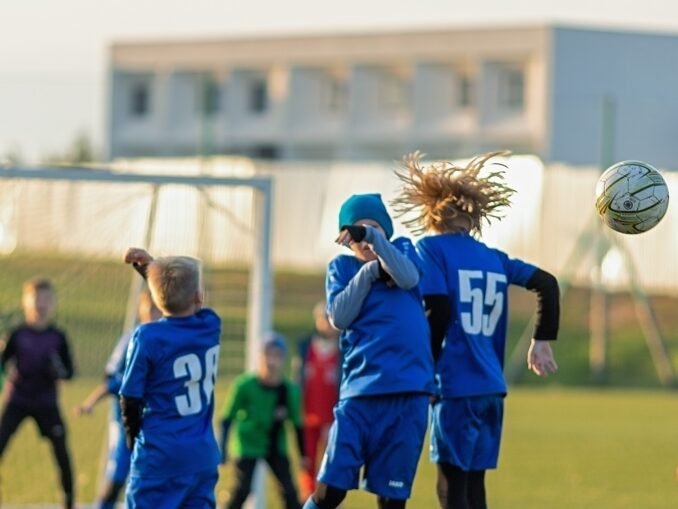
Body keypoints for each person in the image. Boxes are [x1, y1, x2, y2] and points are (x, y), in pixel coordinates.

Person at [392, 151, 560, 509]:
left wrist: (426, 372)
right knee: (474, 486)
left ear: (432, 211)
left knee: (451, 487)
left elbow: (438, 310)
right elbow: (547, 283)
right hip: (491, 389)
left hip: (455, 386)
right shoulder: (494, 258)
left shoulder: (430, 249)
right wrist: (542, 340)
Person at [303, 193, 435, 509]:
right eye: (358, 230)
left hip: (408, 394)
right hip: (360, 394)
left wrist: (376, 241)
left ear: (385, 231)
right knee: (329, 491)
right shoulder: (342, 267)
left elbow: (408, 278)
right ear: (346, 238)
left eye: (373, 228)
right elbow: (339, 317)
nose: (365, 237)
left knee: (391, 498)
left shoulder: (403, 249)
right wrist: (369, 273)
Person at [119, 248, 221, 508]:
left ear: (154, 298)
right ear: (199, 296)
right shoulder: (211, 325)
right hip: (201, 456)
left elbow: (130, 398)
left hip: (159, 456)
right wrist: (153, 269)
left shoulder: (147, 337)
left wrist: (133, 441)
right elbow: (190, 305)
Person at [75, 288, 161, 509]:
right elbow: (111, 377)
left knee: (151, 483)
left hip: (156, 425)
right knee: (118, 475)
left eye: (158, 308)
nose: (154, 313)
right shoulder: (132, 338)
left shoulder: (168, 341)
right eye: (150, 308)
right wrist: (90, 402)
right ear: (141, 310)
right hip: (125, 423)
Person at [0, 277, 75, 509]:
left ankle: (69, 501)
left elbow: (69, 373)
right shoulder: (17, 334)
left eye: (46, 299)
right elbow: (3, 363)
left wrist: (59, 370)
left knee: (61, 452)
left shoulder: (58, 337)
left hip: (46, 402)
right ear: (26, 302)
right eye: (36, 299)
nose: (40, 304)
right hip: (17, 399)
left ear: (53, 303)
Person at [220, 333, 306, 509]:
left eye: (277, 355)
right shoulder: (244, 386)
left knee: (289, 492)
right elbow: (227, 418)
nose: (271, 361)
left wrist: (303, 455)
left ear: (283, 359)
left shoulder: (289, 391)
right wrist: (223, 449)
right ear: (259, 357)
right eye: (267, 354)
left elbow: (297, 425)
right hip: (247, 444)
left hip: (275, 444)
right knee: (242, 490)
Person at [295, 302, 340, 501]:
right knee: (308, 460)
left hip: (332, 416)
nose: (327, 324)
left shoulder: (343, 348)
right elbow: (298, 380)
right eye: (324, 319)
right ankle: (308, 499)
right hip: (308, 414)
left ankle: (329, 499)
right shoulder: (306, 347)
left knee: (331, 460)